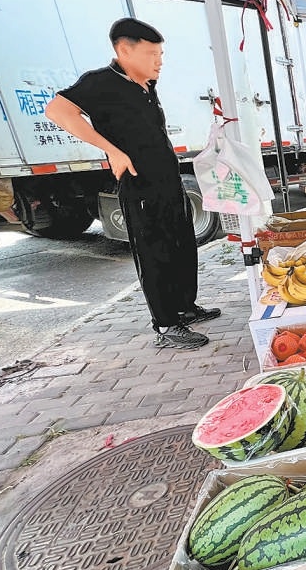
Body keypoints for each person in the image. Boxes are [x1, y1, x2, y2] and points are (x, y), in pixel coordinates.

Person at [45, 18, 221, 350]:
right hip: (140, 187)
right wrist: (111, 150)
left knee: (181, 245)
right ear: (124, 50)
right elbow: (57, 111)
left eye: (161, 53)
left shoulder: (144, 85)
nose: (159, 61)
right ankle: (167, 325)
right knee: (155, 252)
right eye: (152, 53)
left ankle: (185, 307)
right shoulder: (100, 83)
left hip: (169, 182)